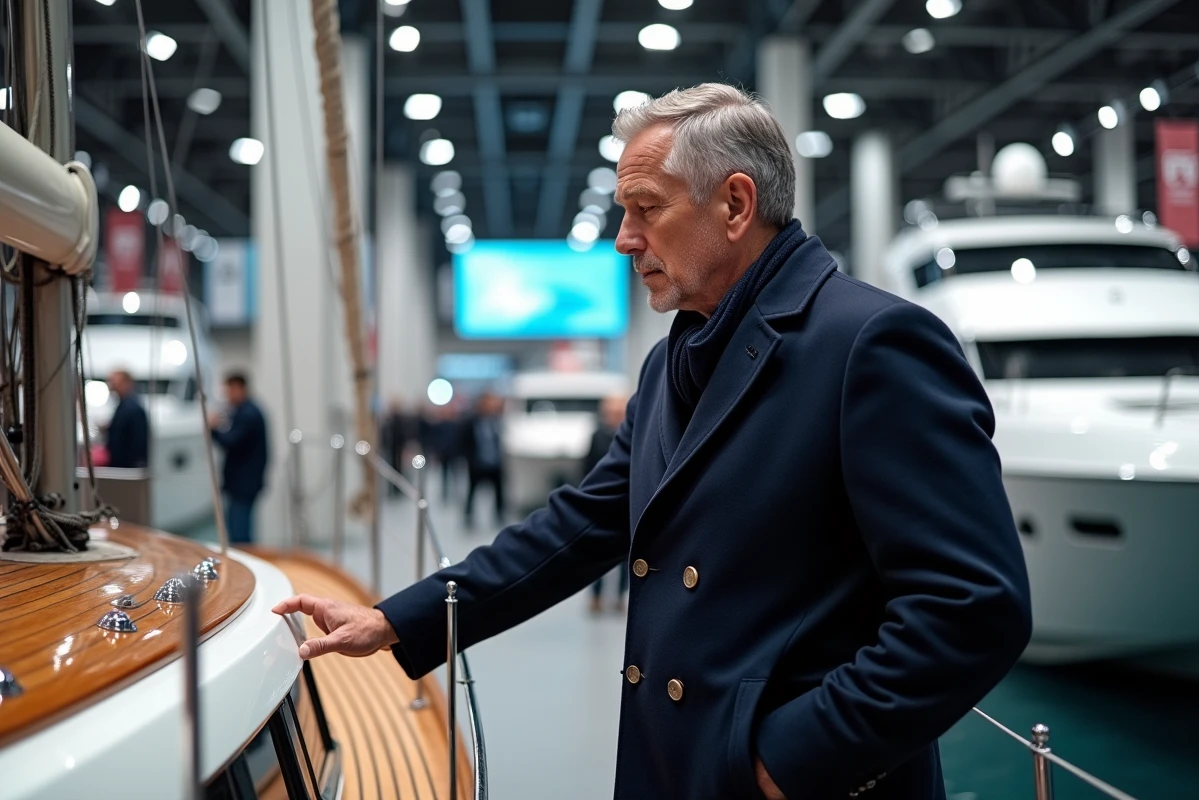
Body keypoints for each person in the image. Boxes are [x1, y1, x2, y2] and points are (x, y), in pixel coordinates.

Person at [275, 84, 1031, 800]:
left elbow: (971, 607)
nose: (622, 240)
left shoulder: (870, 343)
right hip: (678, 757)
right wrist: (401, 619)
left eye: (645, 208)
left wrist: (790, 760)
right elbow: (581, 523)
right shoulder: (675, 357)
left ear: (736, 205)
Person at [209, 372, 268, 544]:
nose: (226, 395)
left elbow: (231, 441)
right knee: (237, 529)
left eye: (228, 390)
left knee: (239, 533)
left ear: (239, 388)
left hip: (243, 484)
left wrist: (214, 428)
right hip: (242, 483)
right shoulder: (246, 412)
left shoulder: (248, 414)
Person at [586, 394, 630, 613]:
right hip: (601, 501)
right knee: (597, 552)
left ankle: (621, 595)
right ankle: (596, 595)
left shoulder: (633, 434)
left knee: (625, 556)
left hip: (627, 504)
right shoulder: (597, 436)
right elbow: (587, 466)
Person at [460, 392, 506, 529]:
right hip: (477, 463)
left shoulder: (496, 420)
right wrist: (469, 459)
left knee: (498, 491)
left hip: (494, 462)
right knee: (472, 491)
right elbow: (464, 441)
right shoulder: (472, 421)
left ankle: (499, 515)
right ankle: (468, 516)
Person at [105, 369, 149, 468]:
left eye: (117, 384)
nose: (113, 387)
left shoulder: (132, 407)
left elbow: (138, 441)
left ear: (127, 383)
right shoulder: (123, 405)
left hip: (126, 465)